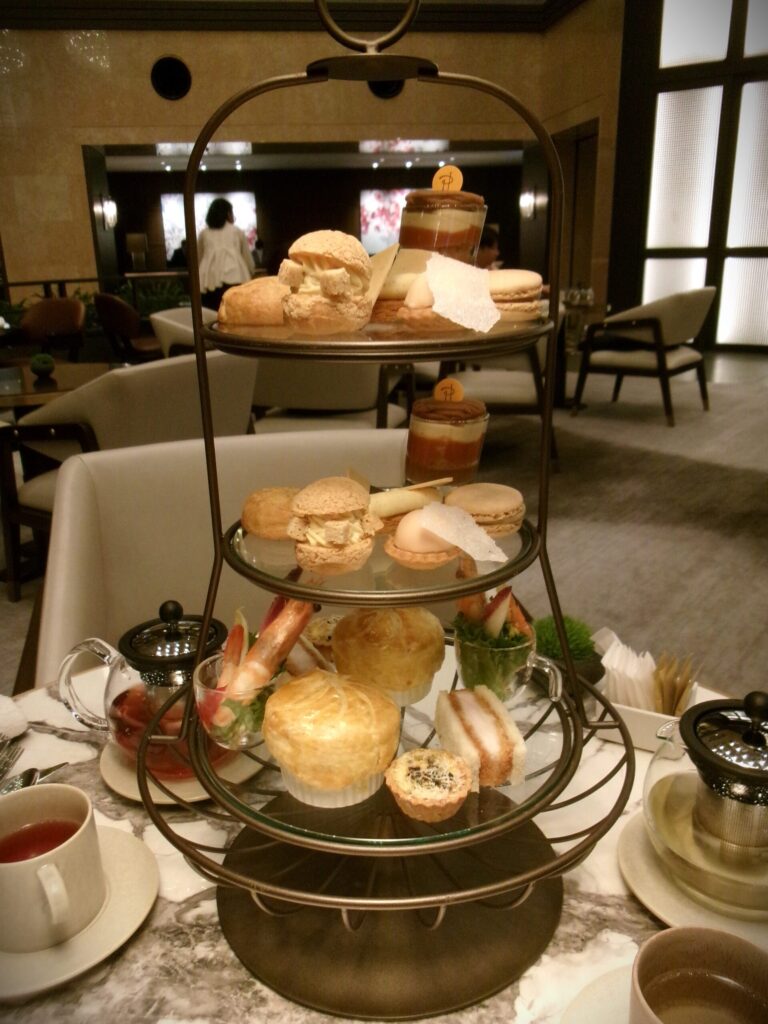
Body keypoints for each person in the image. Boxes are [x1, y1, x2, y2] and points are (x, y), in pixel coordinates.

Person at [197, 198, 255, 310]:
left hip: (209, 281)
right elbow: (247, 258)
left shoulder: (204, 234)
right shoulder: (236, 231)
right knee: (234, 313)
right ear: (228, 214)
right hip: (235, 278)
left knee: (211, 315)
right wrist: (251, 272)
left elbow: (199, 259)